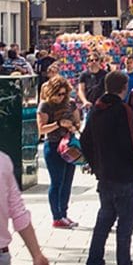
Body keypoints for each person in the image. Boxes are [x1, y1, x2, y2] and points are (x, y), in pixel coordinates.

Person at [80, 70, 133, 265]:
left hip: (104, 174)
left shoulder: (97, 109)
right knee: (125, 222)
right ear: (124, 87)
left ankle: (94, 262)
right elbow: (130, 141)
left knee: (105, 218)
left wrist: (96, 164)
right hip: (123, 174)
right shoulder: (123, 110)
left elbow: (85, 139)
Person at [36, 76, 81, 229]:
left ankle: (64, 213)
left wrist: (73, 126)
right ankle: (56, 216)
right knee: (57, 182)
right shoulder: (45, 106)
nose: (60, 97)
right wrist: (58, 124)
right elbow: (41, 129)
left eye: (63, 94)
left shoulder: (71, 103)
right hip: (54, 145)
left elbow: (78, 122)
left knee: (67, 181)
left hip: (70, 145)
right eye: (58, 94)